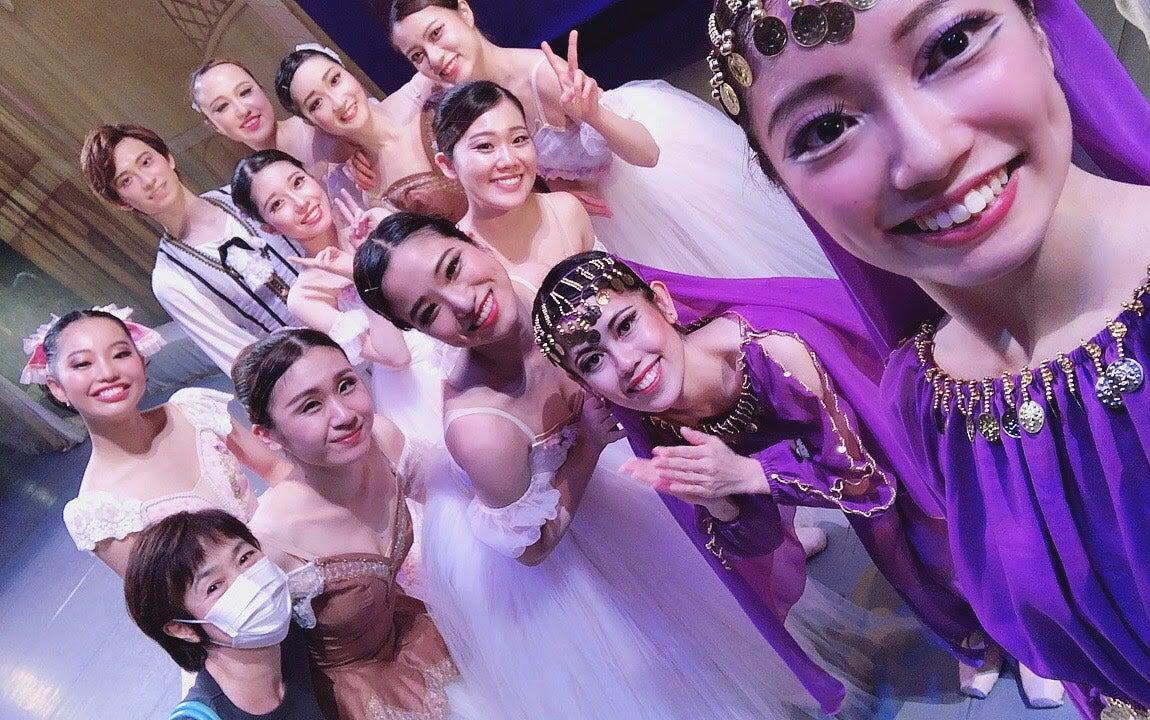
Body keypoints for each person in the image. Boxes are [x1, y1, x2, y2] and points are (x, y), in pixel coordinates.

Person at [707, 0, 1150, 716]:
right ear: (788, 189)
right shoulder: (926, 392)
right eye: (825, 129)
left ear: (1039, 29)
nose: (927, 152)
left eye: (951, 46)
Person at [351, 211, 909, 719]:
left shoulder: (543, 287)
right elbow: (531, 548)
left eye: (453, 267)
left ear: (472, 240)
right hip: (577, 551)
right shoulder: (479, 428)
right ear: (419, 331)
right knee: (690, 665)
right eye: (429, 311)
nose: (462, 302)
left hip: (638, 467)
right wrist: (589, 445)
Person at [387, 0, 834, 279]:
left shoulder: (543, 78)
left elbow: (647, 152)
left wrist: (593, 115)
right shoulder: (470, 96)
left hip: (644, 184)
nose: (435, 58)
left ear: (465, 13)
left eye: (437, 33)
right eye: (417, 55)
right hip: (599, 213)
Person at [232, 328, 477, 720]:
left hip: (417, 637)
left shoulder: (381, 438)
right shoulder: (273, 541)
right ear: (268, 436)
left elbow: (456, 497)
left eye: (346, 384)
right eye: (310, 406)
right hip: (354, 698)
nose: (345, 415)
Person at [33, 308, 280, 577]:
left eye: (121, 354)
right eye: (82, 364)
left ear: (141, 361)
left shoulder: (194, 410)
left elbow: (279, 472)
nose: (107, 372)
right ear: (57, 387)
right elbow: (162, 596)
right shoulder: (98, 510)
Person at [231, 149, 448, 445]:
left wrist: (377, 250)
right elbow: (396, 356)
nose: (300, 203)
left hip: (455, 336)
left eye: (298, 182)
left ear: (312, 178)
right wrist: (360, 274)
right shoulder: (305, 296)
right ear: (268, 227)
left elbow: (440, 288)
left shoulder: (376, 221)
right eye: (277, 204)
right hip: (416, 390)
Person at [80, 124, 303, 373]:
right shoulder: (170, 279)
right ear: (121, 202)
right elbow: (240, 359)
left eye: (146, 162)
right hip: (297, 369)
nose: (148, 181)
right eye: (127, 180)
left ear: (168, 158)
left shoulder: (249, 194)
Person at [124, 509, 325, 720]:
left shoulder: (296, 634)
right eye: (214, 587)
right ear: (182, 629)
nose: (249, 583)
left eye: (245, 558)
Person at [274, 45, 469, 222]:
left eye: (335, 80)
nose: (338, 102)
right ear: (310, 122)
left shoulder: (422, 90)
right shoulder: (374, 192)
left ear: (347, 71)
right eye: (316, 103)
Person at [432, 80, 595, 270]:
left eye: (519, 139)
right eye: (485, 146)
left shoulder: (567, 211)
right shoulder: (459, 259)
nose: (509, 160)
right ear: (449, 165)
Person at [189, 57, 374, 198]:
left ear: (261, 88)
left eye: (245, 92)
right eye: (222, 107)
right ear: (214, 127)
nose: (243, 110)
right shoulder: (258, 191)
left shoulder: (324, 124)